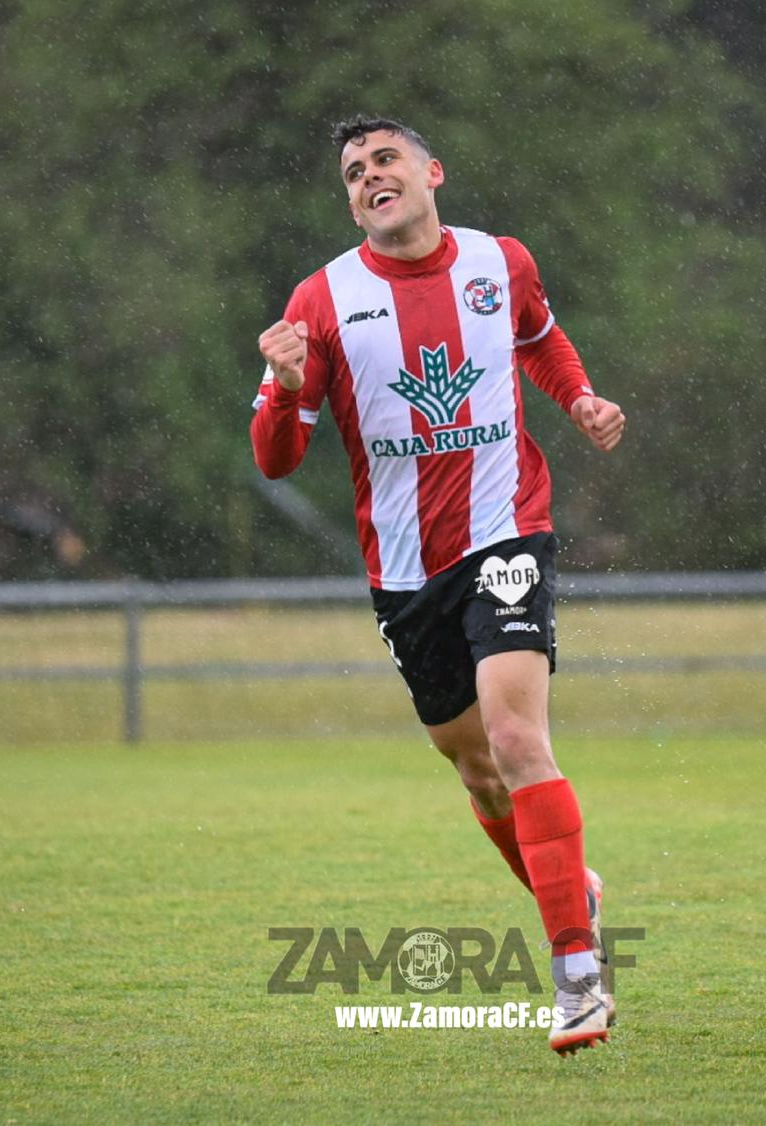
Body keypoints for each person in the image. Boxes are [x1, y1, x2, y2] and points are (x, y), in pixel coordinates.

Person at [251, 116, 627, 1054]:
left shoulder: (501, 262)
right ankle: (565, 884)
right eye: (353, 172)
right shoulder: (322, 298)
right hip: (405, 571)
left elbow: (539, 339)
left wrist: (575, 395)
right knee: (477, 768)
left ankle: (577, 970)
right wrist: (281, 382)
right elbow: (277, 457)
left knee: (514, 733)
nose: (370, 177)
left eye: (385, 161)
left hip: (507, 532)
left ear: (431, 173)